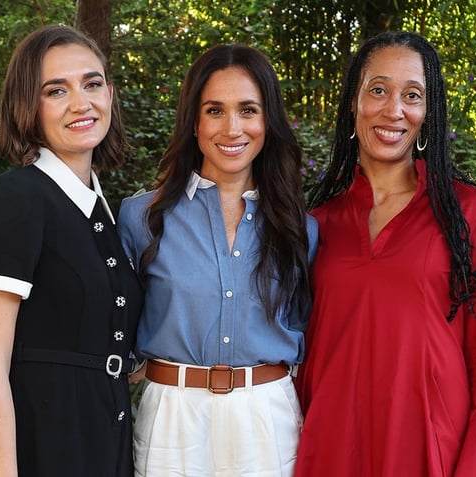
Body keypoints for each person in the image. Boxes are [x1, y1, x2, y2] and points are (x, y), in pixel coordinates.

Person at [294, 31, 476, 477]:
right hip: (331, 449)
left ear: (427, 112)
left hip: (432, 453)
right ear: (354, 101)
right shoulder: (317, 223)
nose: (394, 110)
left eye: (412, 95)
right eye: (378, 90)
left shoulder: (467, 212)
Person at [117, 44, 319, 476]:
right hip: (173, 418)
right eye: (214, 110)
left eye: (248, 110)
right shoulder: (140, 218)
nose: (232, 128)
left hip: (266, 419)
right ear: (193, 121)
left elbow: (305, 324)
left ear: (268, 121)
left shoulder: (300, 229)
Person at [0, 25, 142, 476]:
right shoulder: (14, 199)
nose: (82, 103)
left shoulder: (104, 211)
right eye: (56, 90)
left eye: (92, 83)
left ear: (110, 94)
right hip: (50, 448)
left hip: (109, 442)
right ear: (29, 106)